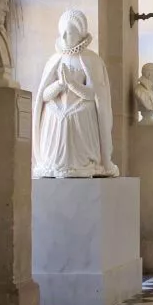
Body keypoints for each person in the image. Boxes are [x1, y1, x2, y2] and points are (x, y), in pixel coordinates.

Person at [33, 9, 119, 178]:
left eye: (70, 33)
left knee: (80, 112)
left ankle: (83, 162)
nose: (65, 37)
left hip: (80, 108)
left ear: (80, 34)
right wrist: (60, 84)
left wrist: (72, 84)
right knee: (53, 111)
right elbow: (44, 96)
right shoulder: (54, 60)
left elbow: (94, 95)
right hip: (58, 108)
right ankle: (53, 162)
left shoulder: (91, 59)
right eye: (62, 32)